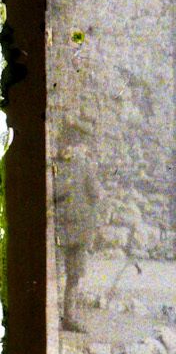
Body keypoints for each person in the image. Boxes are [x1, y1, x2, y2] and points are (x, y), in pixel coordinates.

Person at [55, 122, 100, 333]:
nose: (70, 148)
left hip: (80, 230)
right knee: (55, 274)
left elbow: (95, 194)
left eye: (74, 144)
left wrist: (92, 226)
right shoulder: (53, 165)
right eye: (67, 143)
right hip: (59, 229)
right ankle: (51, 317)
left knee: (74, 275)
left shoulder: (84, 165)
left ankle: (69, 318)